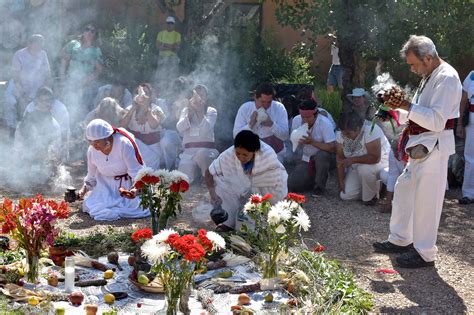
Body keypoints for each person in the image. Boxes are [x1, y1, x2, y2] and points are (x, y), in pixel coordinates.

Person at [373, 35, 462, 268]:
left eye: (413, 64)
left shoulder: (448, 78)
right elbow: (418, 112)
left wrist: (405, 105)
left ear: (428, 57)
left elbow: (436, 119)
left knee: (427, 201)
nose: (411, 69)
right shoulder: (429, 74)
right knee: (403, 191)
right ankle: (401, 239)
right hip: (419, 144)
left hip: (434, 146)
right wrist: (392, 111)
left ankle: (425, 253)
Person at [205, 130, 288, 231]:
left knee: (265, 224)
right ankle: (229, 222)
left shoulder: (267, 155)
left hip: (267, 190)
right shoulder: (230, 154)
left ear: (255, 151)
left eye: (245, 155)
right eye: (238, 153)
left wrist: (248, 194)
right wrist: (213, 195)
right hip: (241, 191)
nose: (240, 157)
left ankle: (264, 225)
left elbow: (274, 179)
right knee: (222, 185)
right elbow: (209, 172)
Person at [78, 119, 150, 221]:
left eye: (97, 142)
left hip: (127, 186)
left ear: (107, 138)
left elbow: (137, 171)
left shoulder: (124, 144)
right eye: (91, 142)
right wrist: (82, 191)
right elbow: (91, 176)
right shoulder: (92, 151)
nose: (94, 145)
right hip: (105, 187)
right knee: (93, 206)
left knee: (138, 208)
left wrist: (134, 190)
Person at [336, 111, 390, 205]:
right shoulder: (341, 133)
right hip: (356, 164)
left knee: (364, 170)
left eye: (348, 133)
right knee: (346, 195)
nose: (345, 136)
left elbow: (375, 158)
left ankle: (370, 198)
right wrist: (341, 181)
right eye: (343, 133)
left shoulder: (371, 130)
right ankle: (376, 188)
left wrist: (352, 160)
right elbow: (339, 158)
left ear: (358, 129)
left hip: (381, 162)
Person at [4, 34, 51, 138]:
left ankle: (31, 131)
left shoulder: (43, 54)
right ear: (30, 44)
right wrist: (22, 94)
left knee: (34, 106)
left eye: (41, 43)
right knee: (10, 101)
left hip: (36, 86)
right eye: (37, 43)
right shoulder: (19, 54)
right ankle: (12, 127)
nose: (39, 45)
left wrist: (45, 90)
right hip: (19, 85)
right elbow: (15, 76)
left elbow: (47, 74)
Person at [288, 99, 336, 195]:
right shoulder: (296, 120)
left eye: (308, 117)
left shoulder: (325, 123)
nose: (305, 120)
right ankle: (311, 180)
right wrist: (298, 142)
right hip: (305, 158)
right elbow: (295, 146)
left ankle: (319, 186)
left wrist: (312, 142)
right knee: (291, 185)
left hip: (322, 158)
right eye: (303, 117)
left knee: (322, 155)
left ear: (316, 114)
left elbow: (332, 148)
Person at [60, 23, 104, 124]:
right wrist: (62, 78)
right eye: (87, 30)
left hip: (86, 83)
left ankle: (81, 129)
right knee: (67, 103)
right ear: (83, 32)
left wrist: (87, 80)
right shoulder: (73, 44)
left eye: (92, 31)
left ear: (95, 35)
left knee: (84, 106)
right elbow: (64, 61)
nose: (89, 32)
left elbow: (99, 70)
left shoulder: (96, 50)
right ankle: (66, 127)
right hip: (70, 80)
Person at [233, 83, 289, 161]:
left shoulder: (279, 108)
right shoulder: (245, 108)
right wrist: (250, 125)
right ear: (255, 98)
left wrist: (271, 124)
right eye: (262, 102)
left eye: (269, 102)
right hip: (251, 156)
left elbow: (285, 136)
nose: (265, 105)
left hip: (275, 155)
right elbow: (236, 136)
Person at [176, 84, 218, 183]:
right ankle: (196, 177)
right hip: (189, 152)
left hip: (206, 151)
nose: (198, 98)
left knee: (202, 154)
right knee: (183, 180)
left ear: (206, 98)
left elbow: (205, 130)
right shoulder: (186, 111)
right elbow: (180, 128)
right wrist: (189, 114)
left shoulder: (211, 111)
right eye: (196, 95)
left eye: (201, 95)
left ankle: (207, 178)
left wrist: (199, 111)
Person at [120, 83, 165, 170]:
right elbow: (122, 124)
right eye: (139, 93)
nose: (142, 96)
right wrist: (133, 107)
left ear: (150, 96)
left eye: (146, 93)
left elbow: (154, 125)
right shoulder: (130, 108)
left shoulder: (156, 109)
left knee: (151, 170)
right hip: (136, 146)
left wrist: (146, 107)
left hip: (153, 146)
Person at [23, 86, 70, 158]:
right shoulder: (30, 109)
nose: (45, 104)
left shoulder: (61, 110)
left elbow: (64, 133)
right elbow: (22, 130)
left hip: (52, 148)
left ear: (52, 101)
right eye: (42, 101)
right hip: (30, 148)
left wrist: (62, 154)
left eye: (48, 100)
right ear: (37, 101)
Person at [457, 70, 474, 204]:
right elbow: (463, 101)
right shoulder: (472, 75)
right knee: (470, 157)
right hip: (472, 121)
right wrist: (459, 124)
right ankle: (468, 193)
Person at [156, 16, 181, 84]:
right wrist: (172, 46)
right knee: (160, 76)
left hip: (172, 58)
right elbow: (158, 46)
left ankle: (172, 89)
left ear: (174, 24)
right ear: (166, 24)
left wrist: (164, 45)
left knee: (173, 76)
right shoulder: (160, 34)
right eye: (168, 23)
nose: (170, 25)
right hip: (162, 57)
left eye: (171, 23)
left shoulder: (177, 35)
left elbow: (176, 49)